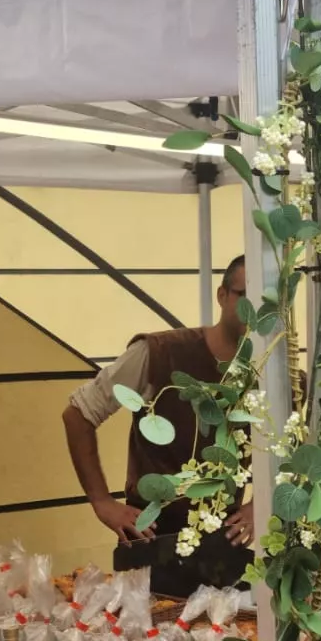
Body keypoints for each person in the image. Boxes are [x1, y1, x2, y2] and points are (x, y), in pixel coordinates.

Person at [62, 255, 253, 597]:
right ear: (222, 295)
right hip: (152, 541)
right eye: (246, 295)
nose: (256, 310)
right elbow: (78, 413)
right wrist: (102, 502)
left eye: (269, 302)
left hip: (225, 547)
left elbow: (296, 448)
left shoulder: (275, 371)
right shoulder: (160, 353)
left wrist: (262, 506)